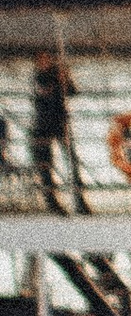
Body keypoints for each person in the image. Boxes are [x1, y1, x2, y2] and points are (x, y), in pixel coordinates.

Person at [31, 45, 84, 215]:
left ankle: (79, 198)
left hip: (59, 123)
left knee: (71, 161)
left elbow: (72, 92)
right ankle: (52, 200)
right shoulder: (39, 77)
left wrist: (65, 79)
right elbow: (42, 94)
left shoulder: (57, 74)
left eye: (47, 59)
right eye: (41, 60)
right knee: (45, 162)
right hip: (43, 124)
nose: (44, 62)